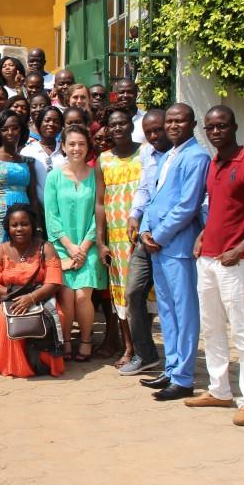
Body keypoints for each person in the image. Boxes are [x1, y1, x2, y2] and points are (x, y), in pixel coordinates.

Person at [185, 105, 244, 426]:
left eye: (222, 126)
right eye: (210, 127)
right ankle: (219, 390)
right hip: (208, 258)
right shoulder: (214, 164)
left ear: (234, 126)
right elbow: (221, 210)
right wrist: (202, 235)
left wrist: (240, 249)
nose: (215, 132)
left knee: (242, 331)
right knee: (211, 328)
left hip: (233, 262)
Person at [139, 103, 211, 402]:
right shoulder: (169, 155)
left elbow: (188, 204)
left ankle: (183, 377)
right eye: (169, 121)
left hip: (177, 246)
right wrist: (145, 228)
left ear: (192, 124)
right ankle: (171, 367)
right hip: (157, 245)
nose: (172, 126)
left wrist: (159, 234)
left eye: (179, 121)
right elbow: (153, 196)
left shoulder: (197, 157)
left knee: (184, 312)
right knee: (166, 310)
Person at [45, 124, 108, 361]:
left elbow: (98, 213)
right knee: (67, 297)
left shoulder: (95, 175)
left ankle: (86, 340)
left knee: (83, 296)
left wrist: (84, 246)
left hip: (89, 247)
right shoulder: (54, 177)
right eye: (71, 144)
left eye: (81, 143)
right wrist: (69, 247)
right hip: (62, 246)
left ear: (88, 146)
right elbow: (51, 217)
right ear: (63, 146)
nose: (76, 148)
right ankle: (66, 341)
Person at [0, 204, 66, 378]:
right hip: (8, 300)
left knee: (58, 316)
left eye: (24, 224)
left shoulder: (46, 248)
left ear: (32, 225)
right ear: (8, 227)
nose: (19, 228)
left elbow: (55, 282)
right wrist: (16, 298)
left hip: (40, 300)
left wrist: (32, 298)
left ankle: (43, 363)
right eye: (14, 225)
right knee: (1, 319)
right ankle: (14, 365)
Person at [119, 108, 169, 376]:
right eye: (149, 132)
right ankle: (146, 354)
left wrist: (161, 233)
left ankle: (176, 361)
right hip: (145, 235)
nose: (153, 135)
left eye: (158, 130)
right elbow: (145, 188)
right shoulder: (148, 153)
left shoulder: (185, 157)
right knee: (132, 293)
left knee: (171, 300)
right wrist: (134, 215)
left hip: (171, 238)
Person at [98, 109, 141, 368]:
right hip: (116, 237)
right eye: (112, 124)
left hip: (142, 233)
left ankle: (148, 348)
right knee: (121, 295)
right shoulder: (103, 160)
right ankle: (128, 348)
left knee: (144, 295)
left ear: (131, 125)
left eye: (122, 123)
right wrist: (102, 241)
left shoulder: (144, 154)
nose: (117, 128)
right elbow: (100, 204)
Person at [0, 110, 39, 254]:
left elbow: (33, 198)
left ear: (21, 130)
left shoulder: (27, 162)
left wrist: (37, 228)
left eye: (15, 128)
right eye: (4, 129)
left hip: (24, 222)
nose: (10, 132)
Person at [21, 107, 63, 206]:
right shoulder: (28, 152)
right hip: (37, 210)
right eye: (47, 120)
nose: (51, 124)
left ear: (61, 126)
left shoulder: (66, 151)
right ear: (39, 124)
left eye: (56, 121)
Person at [113, 78, 146, 144]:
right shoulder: (110, 120)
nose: (125, 96)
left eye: (129, 92)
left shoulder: (146, 118)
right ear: (116, 95)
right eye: (121, 92)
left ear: (136, 94)